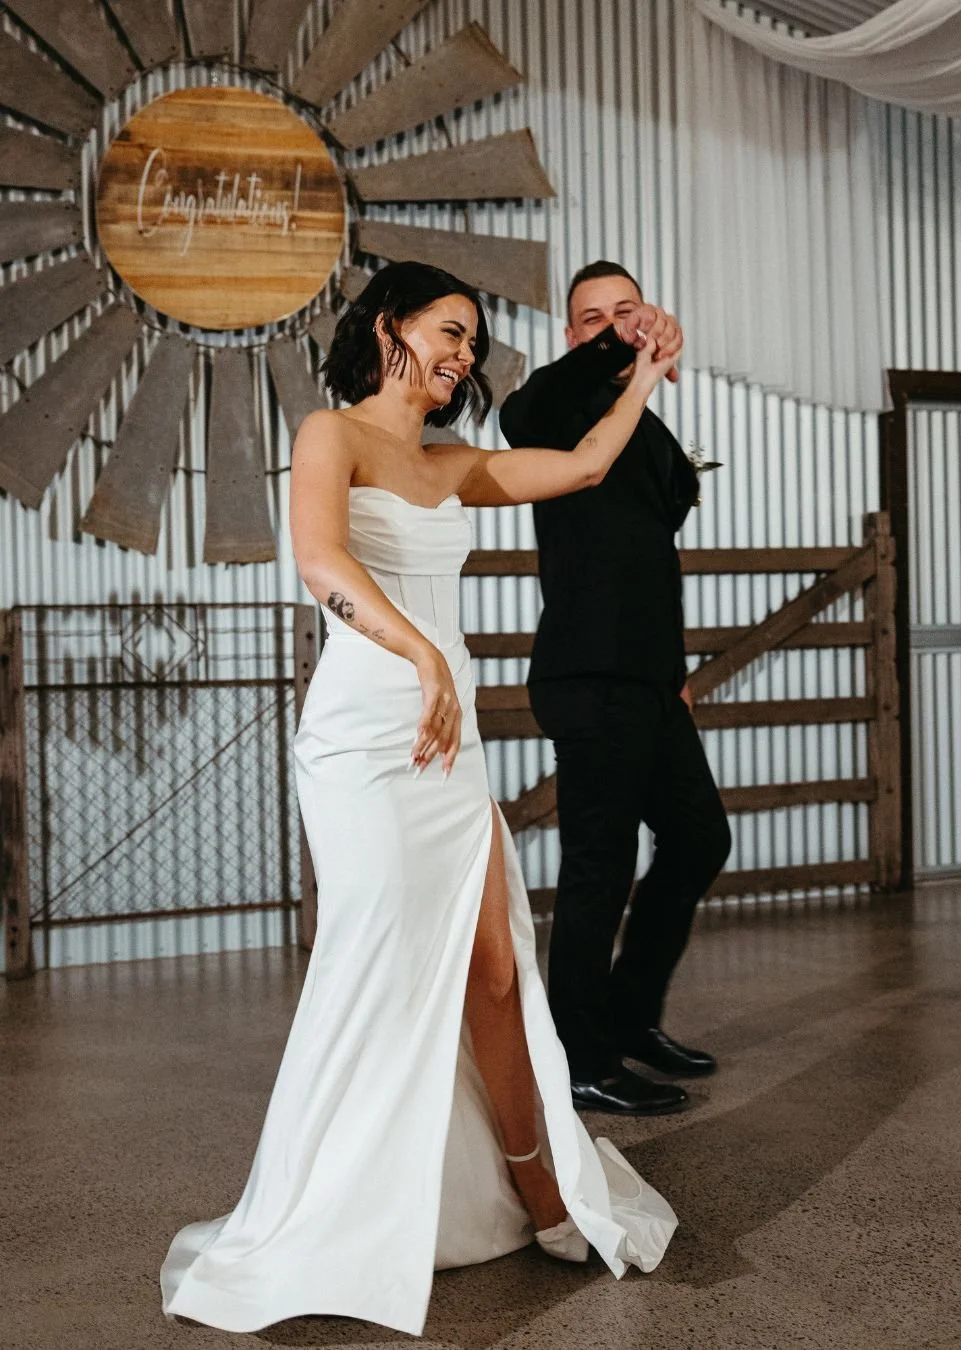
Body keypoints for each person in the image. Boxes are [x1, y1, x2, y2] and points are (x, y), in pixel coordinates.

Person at [159, 262, 680, 1338]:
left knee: (496, 968)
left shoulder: (451, 464)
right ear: (388, 327)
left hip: (451, 752)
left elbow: (583, 467)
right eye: (449, 331)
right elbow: (319, 557)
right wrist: (421, 657)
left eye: (474, 343)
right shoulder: (331, 436)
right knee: (382, 967)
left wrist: (648, 375)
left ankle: (542, 1194)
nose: (463, 356)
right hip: (364, 738)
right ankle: (334, 1212)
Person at [500, 261, 732, 1118]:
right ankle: (581, 1058)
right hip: (587, 679)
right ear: (571, 338)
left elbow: (650, 545)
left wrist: (672, 679)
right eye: (591, 319)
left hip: (648, 685)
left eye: (625, 311)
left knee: (700, 839)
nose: (611, 327)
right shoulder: (554, 412)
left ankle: (631, 1018)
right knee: (599, 869)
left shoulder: (650, 433)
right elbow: (515, 413)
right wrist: (617, 350)